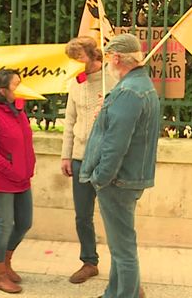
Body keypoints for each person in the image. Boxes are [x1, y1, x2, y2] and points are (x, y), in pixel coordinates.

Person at [79, 33, 160, 298]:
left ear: (116, 58)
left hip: (117, 180)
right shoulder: (140, 86)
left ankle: (126, 294)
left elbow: (116, 144)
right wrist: (107, 109)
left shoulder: (129, 91)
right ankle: (113, 292)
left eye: (108, 59)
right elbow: (123, 127)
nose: (107, 66)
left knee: (123, 248)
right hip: (128, 178)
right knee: (119, 244)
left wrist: (101, 177)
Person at [60, 36, 116, 284]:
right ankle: (89, 261)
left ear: (94, 55)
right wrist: (66, 155)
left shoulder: (112, 81)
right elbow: (69, 121)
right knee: (82, 215)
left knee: (113, 214)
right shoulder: (75, 83)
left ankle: (122, 266)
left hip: (105, 159)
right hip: (80, 159)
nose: (75, 62)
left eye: (79, 57)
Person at [0, 69, 35, 294]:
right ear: (2, 90)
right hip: (3, 179)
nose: (20, 87)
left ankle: (6, 261)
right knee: (5, 225)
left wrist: (28, 166)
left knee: (24, 222)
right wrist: (11, 170)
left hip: (22, 177)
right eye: (15, 85)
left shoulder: (17, 109)